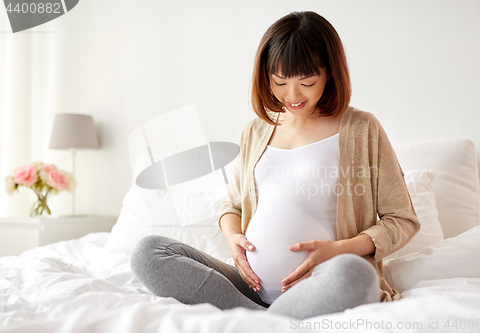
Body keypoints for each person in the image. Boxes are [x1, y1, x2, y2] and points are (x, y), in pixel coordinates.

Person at [130, 11, 420, 320]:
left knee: (356, 275)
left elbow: (402, 220)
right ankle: (263, 318)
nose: (292, 96)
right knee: (147, 252)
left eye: (307, 82)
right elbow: (233, 207)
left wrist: (338, 250)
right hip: (247, 285)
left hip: (322, 284)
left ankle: (253, 320)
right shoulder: (256, 130)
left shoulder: (362, 129)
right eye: (279, 82)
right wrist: (233, 239)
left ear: (330, 73)